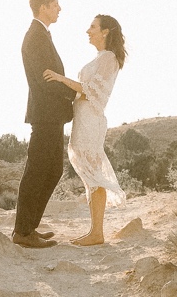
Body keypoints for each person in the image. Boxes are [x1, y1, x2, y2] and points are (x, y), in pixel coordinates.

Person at [44, 14, 126, 246]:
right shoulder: (101, 57)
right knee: (90, 176)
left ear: (105, 32)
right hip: (82, 120)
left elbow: (91, 91)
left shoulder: (109, 58)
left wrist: (60, 79)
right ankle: (94, 231)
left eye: (92, 27)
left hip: (91, 121)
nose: (87, 31)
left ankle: (97, 233)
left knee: (94, 174)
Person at [13, 0, 73, 248]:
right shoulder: (35, 36)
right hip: (45, 114)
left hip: (53, 114)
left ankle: (30, 227)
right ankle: (22, 232)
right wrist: (75, 93)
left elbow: (52, 77)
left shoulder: (43, 35)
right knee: (37, 171)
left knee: (52, 170)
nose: (59, 8)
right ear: (43, 8)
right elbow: (44, 80)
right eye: (55, 4)